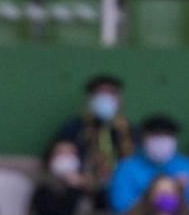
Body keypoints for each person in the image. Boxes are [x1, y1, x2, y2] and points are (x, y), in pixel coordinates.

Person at [52, 74, 134, 208]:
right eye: (101, 93)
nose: (106, 98)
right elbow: (59, 154)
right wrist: (72, 174)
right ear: (90, 98)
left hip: (116, 182)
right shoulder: (75, 127)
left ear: (119, 99)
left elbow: (134, 162)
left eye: (111, 93)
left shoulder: (127, 130)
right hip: (82, 180)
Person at [109, 114, 189, 215]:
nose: (161, 141)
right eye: (156, 135)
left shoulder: (187, 166)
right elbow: (119, 205)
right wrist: (154, 196)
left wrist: (182, 192)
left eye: (167, 135)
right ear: (143, 138)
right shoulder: (127, 167)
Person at [28, 140, 97, 215]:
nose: (66, 158)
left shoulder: (83, 188)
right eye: (60, 153)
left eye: (71, 153)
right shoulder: (44, 188)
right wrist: (73, 187)